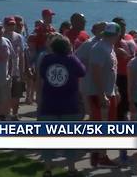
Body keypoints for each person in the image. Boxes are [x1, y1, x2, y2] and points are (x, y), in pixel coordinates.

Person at [38, 35, 86, 177]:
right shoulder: (71, 59)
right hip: (69, 105)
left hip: (49, 104)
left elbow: (41, 76)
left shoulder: (47, 60)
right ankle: (71, 168)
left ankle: (47, 169)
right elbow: (82, 72)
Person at [88, 22, 121, 168]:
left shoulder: (109, 47)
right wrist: (102, 95)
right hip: (101, 93)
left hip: (109, 91)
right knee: (103, 126)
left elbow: (111, 71)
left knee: (107, 125)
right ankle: (102, 156)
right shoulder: (100, 48)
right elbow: (96, 72)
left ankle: (97, 153)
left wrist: (116, 89)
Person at [75, 21, 106, 118]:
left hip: (102, 83)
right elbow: (76, 58)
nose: (104, 31)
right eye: (102, 28)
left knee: (100, 113)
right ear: (95, 31)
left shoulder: (106, 44)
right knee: (92, 113)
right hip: (89, 83)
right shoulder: (89, 44)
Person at [3, 16, 26, 120]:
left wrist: (22, 71)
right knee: (5, 94)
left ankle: (15, 114)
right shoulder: (1, 36)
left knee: (16, 94)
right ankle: (5, 113)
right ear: (5, 25)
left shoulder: (19, 37)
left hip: (15, 70)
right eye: (9, 24)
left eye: (13, 24)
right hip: (3, 70)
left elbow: (21, 55)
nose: (11, 26)